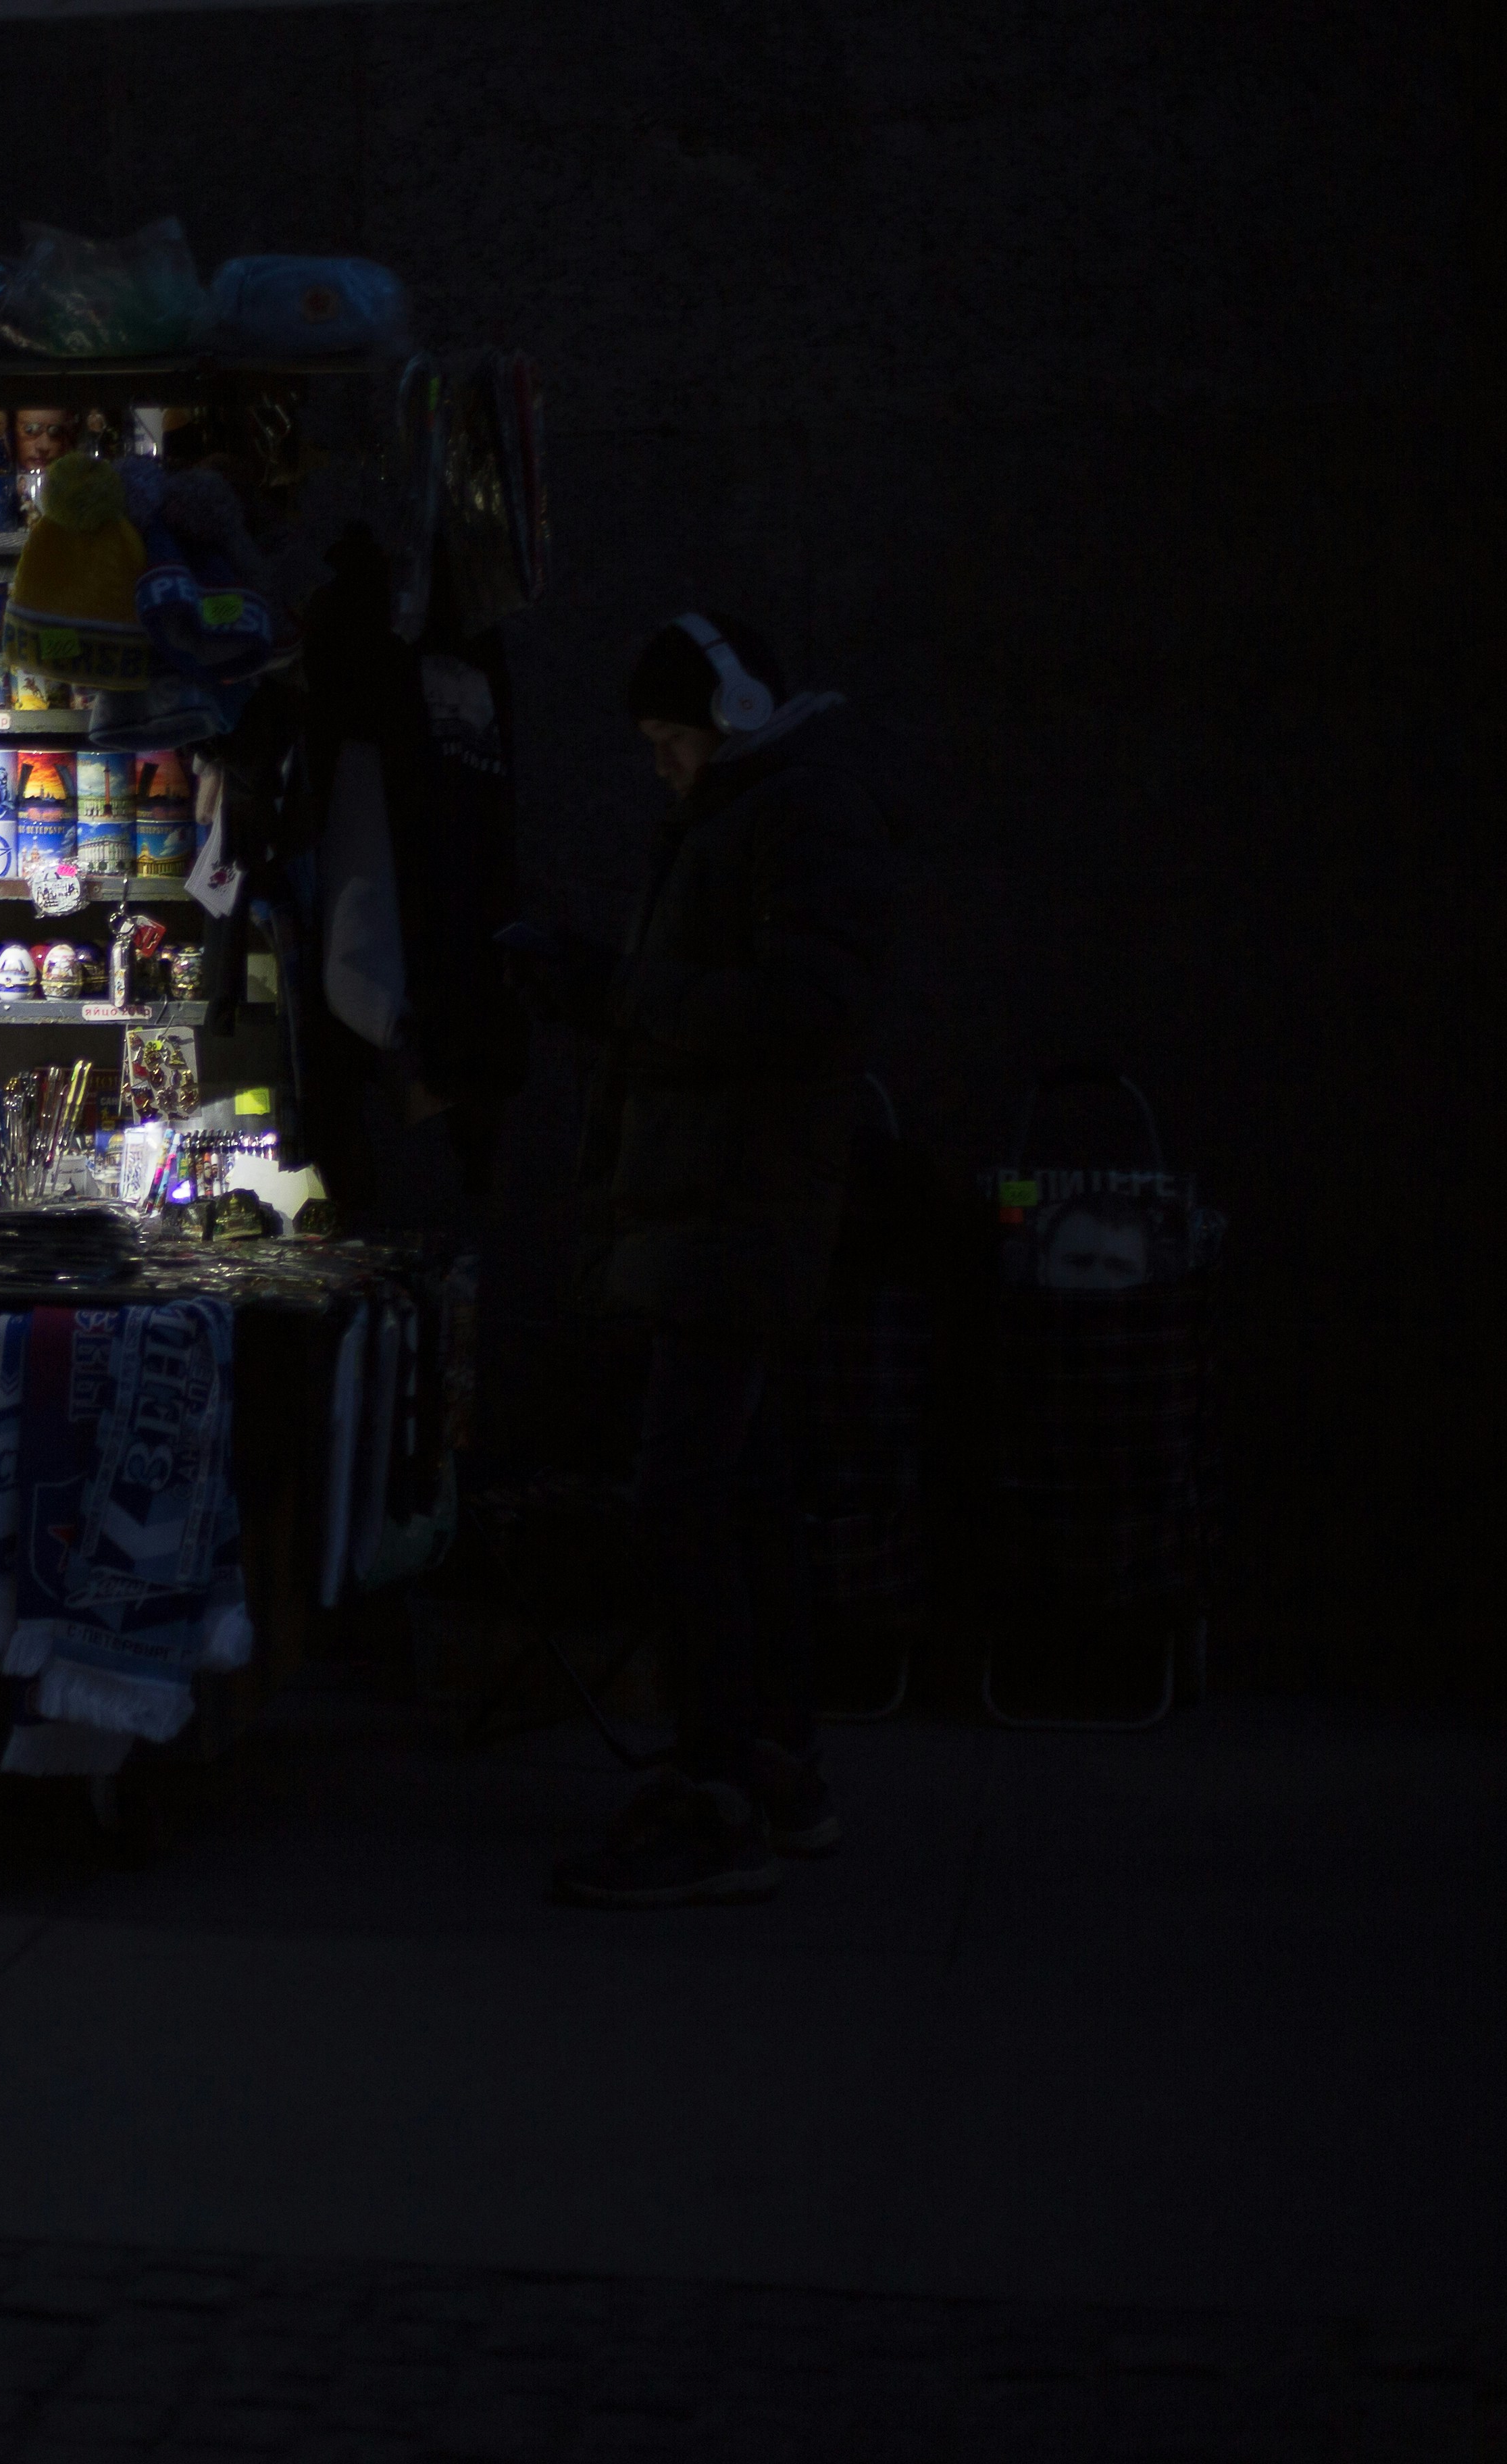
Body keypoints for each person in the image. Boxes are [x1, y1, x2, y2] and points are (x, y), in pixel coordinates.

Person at [503, 614, 895, 1907]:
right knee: (742, 1501)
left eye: (672, 741)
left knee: (685, 1500)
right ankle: (775, 1771)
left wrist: (613, 991)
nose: (660, 766)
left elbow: (803, 1011)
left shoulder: (790, 819)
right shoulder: (749, 818)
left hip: (740, 1222)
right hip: (723, 1220)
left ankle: (721, 1792)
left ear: (727, 719)